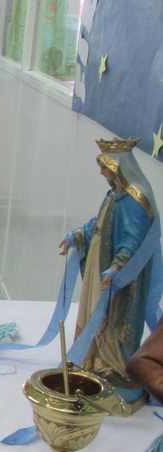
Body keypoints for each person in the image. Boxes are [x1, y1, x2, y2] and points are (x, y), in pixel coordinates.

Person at [59, 138, 160, 403]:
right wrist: (76, 235)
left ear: (119, 167)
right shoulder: (115, 194)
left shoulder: (135, 200)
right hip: (100, 270)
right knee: (96, 314)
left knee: (117, 322)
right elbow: (99, 223)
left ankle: (116, 368)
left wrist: (117, 268)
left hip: (122, 280)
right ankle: (93, 361)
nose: (102, 172)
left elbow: (134, 239)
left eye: (105, 167)